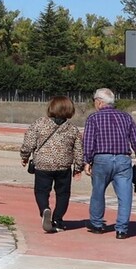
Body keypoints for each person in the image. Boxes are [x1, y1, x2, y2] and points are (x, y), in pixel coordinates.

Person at [83, 88, 136, 239]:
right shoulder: (126, 117)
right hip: (123, 159)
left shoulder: (93, 118)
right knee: (125, 195)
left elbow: (88, 141)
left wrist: (87, 160)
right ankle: (122, 229)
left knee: (98, 192)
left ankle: (97, 224)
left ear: (99, 101)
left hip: (101, 159)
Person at [20, 96, 84, 233]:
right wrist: (78, 167)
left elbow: (28, 142)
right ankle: (58, 220)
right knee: (63, 194)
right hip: (63, 166)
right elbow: (79, 150)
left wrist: (24, 156)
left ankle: (44, 209)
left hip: (43, 165)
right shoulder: (72, 129)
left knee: (41, 191)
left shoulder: (39, 123)